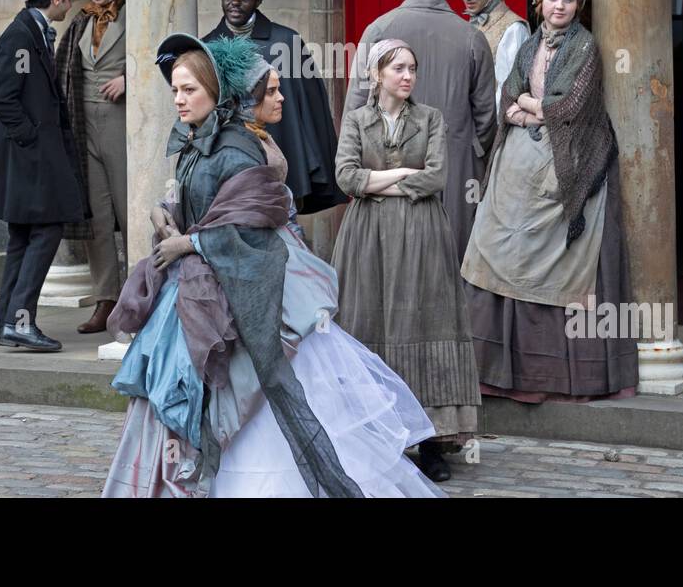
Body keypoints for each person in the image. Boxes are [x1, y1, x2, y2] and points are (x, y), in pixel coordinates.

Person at [101, 34, 439, 498]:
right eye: (175, 90)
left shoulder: (237, 149)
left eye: (188, 90)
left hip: (245, 292)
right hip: (197, 290)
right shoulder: (198, 141)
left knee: (259, 388)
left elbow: (250, 226)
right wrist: (166, 211)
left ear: (216, 94)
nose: (178, 99)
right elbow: (203, 200)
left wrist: (192, 242)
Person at [459, 0, 638, 405]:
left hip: (568, 163)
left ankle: (553, 375)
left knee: (562, 265)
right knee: (498, 250)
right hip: (515, 169)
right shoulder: (529, 44)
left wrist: (531, 105)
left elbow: (573, 104)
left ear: (578, 6)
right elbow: (507, 97)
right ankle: (497, 371)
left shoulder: (585, 47)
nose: (560, 7)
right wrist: (525, 107)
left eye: (569, 0)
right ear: (540, 2)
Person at [334, 38, 481, 482]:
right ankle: (381, 437)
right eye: (398, 68)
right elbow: (345, 176)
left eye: (412, 68)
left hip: (423, 234)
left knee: (427, 322)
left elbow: (436, 177)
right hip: (368, 238)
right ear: (377, 74)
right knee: (371, 325)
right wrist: (400, 173)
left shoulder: (430, 118)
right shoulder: (357, 119)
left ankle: (433, 442)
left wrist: (377, 182)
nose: (407, 76)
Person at [345, 0, 497, 260]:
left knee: (392, 256)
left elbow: (357, 104)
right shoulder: (472, 37)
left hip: (387, 162)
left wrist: (355, 163)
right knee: (450, 255)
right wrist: (474, 154)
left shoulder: (379, 29)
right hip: (453, 164)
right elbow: (485, 115)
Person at [0, 0, 89, 353]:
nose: (72, 5)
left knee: (23, 237)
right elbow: (3, 98)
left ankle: (7, 324)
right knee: (46, 230)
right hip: (27, 157)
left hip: (30, 156)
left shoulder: (33, 32)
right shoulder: (19, 38)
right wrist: (33, 139)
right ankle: (17, 321)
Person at [204, 0, 348, 216]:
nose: (234, 2)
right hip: (227, 167)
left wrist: (313, 167)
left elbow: (313, 111)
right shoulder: (207, 47)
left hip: (281, 163)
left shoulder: (287, 42)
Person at [54, 0, 129, 334]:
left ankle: (140, 295)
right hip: (85, 124)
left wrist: (130, 78)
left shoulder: (138, 12)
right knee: (96, 217)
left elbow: (164, 58)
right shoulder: (82, 20)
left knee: (131, 210)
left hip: (123, 122)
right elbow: (65, 67)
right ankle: (106, 300)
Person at [454, 0, 528, 114]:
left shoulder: (513, 29)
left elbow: (508, 91)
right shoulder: (471, 22)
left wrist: (484, 128)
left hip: (491, 127)